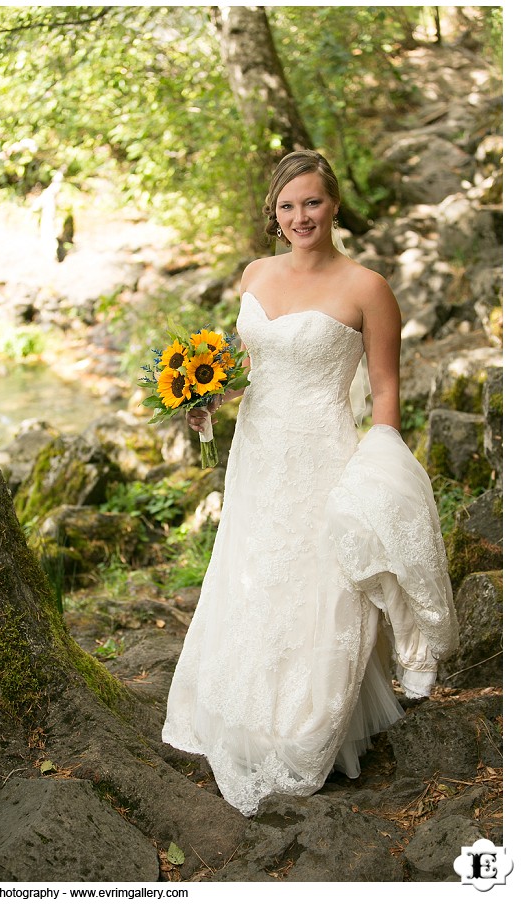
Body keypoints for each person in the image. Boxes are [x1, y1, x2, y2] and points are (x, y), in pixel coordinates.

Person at [162, 150, 458, 818]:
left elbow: (385, 388)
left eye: (313, 203)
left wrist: (380, 468)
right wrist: (207, 397)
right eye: (288, 205)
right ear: (275, 211)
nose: (301, 216)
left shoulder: (366, 288)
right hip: (258, 451)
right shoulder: (255, 273)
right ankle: (241, 717)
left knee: (320, 585)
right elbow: (250, 367)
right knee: (252, 576)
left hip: (324, 454)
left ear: (333, 206)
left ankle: (304, 730)